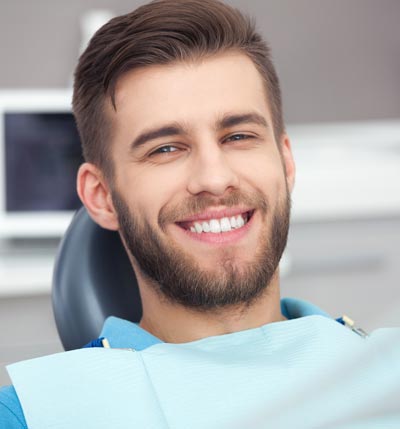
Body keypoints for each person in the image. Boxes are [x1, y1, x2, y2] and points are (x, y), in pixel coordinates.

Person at [1, 0, 399, 428]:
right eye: (166, 148)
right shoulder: (35, 413)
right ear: (101, 197)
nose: (213, 178)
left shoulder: (386, 371)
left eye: (239, 135)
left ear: (285, 164)